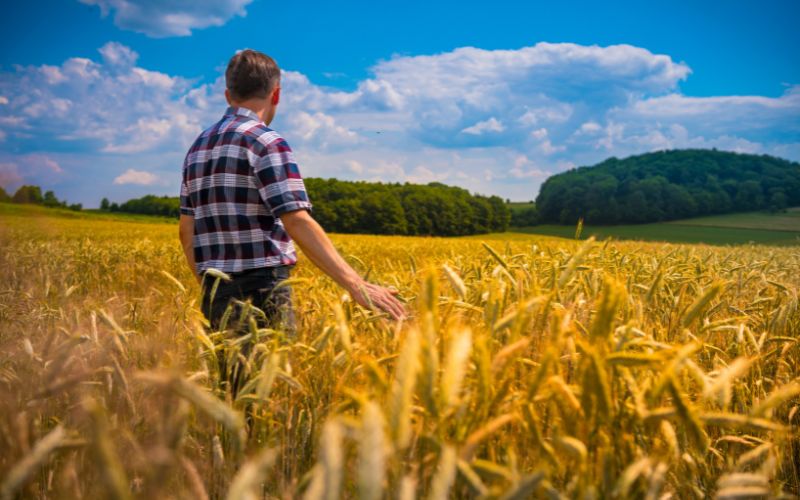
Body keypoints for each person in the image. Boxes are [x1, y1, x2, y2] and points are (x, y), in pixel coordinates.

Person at [178, 50, 406, 391]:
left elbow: (186, 232)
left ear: (228, 94)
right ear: (276, 94)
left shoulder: (197, 147)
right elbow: (296, 219)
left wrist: (211, 287)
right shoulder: (268, 142)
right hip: (263, 287)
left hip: (214, 287)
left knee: (233, 393)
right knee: (271, 393)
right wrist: (357, 285)